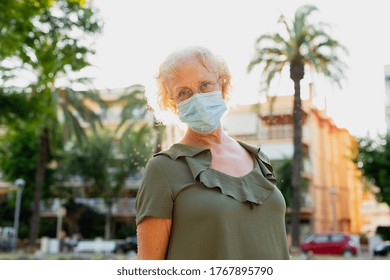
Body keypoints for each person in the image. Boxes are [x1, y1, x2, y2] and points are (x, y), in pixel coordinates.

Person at [136, 46, 290, 260]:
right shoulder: (164, 169)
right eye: (183, 92)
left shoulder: (259, 159)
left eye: (205, 84)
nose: (197, 98)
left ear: (222, 84)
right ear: (173, 105)